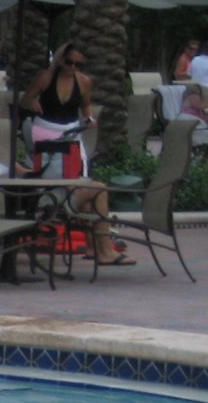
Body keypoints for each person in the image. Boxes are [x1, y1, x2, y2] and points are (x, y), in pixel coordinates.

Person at [19, 43, 132, 266]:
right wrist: (32, 101)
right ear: (61, 59)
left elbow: (86, 107)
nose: (73, 68)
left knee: (87, 189)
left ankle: (95, 247)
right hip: (47, 142)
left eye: (78, 65)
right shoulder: (46, 78)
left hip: (69, 136)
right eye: (69, 62)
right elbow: (25, 100)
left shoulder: (83, 82)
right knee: (94, 190)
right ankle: (103, 250)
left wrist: (89, 119)